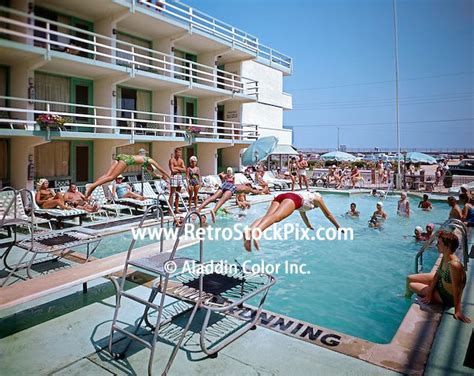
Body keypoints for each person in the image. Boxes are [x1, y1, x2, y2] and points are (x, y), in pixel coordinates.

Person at [243, 191, 341, 252]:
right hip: (293, 199)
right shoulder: (318, 199)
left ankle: (250, 230)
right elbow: (328, 214)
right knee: (276, 217)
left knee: (268, 217)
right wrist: (337, 226)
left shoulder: (308, 198)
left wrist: (308, 225)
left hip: (282, 196)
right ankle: (257, 232)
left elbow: (303, 214)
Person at [407, 230, 470, 323]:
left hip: (445, 296)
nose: (436, 245)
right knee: (409, 278)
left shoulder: (454, 265)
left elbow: (458, 289)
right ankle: (406, 297)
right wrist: (429, 292)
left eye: (439, 243)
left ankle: (407, 298)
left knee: (412, 285)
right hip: (440, 284)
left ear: (448, 246)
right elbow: (438, 273)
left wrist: (458, 311)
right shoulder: (445, 256)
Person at [85, 153, 169, 197]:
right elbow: (160, 168)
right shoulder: (150, 160)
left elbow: (154, 174)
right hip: (127, 160)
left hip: (121, 156)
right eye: (151, 169)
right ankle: (92, 186)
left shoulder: (145, 164)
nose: (150, 170)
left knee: (107, 175)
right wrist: (168, 176)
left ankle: (92, 187)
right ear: (151, 166)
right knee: (112, 177)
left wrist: (162, 177)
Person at [169, 148, 186, 213]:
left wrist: (176, 168)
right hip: (174, 177)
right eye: (178, 153)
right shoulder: (171, 160)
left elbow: (184, 170)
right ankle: (170, 210)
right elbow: (172, 170)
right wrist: (180, 169)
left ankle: (176, 209)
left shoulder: (181, 160)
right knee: (172, 194)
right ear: (175, 153)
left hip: (180, 177)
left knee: (178, 194)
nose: (179, 154)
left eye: (180, 153)